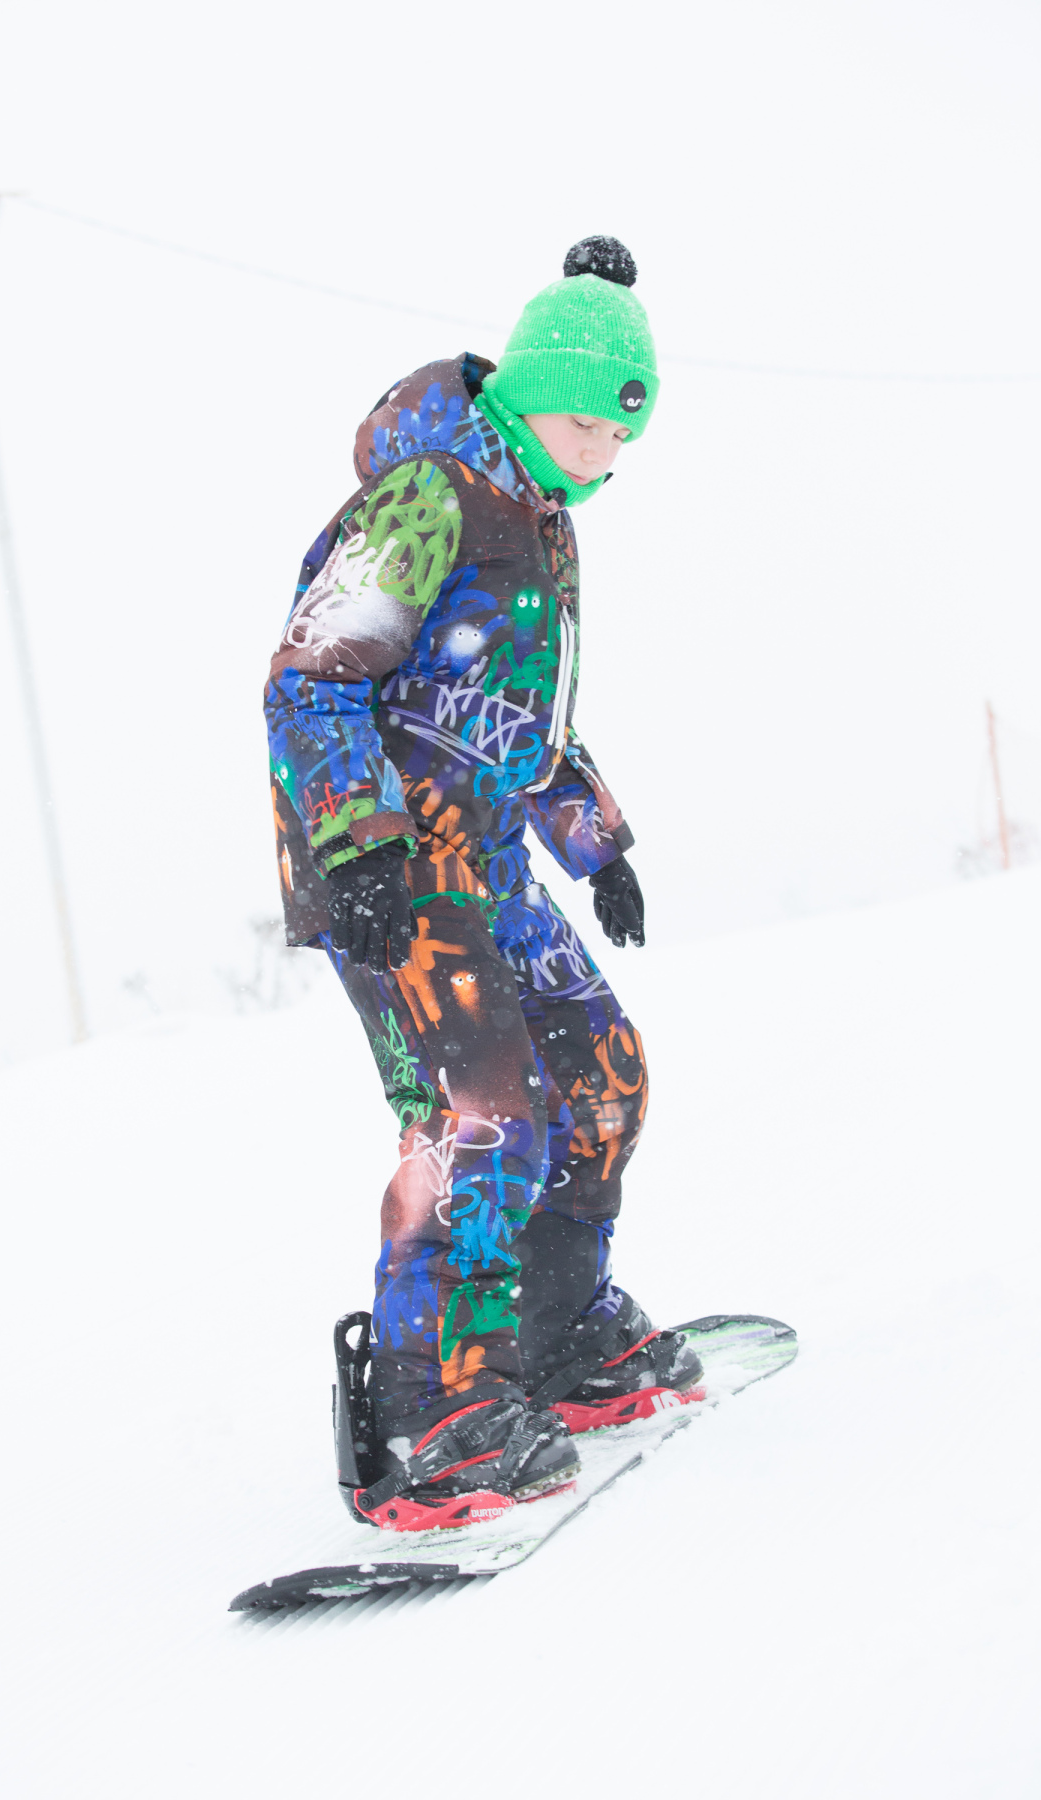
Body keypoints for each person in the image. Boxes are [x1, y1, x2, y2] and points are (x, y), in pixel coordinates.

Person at [264, 236, 703, 1529]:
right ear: (530, 392)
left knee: (604, 1076)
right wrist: (355, 847)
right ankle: (437, 1406)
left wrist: (599, 843)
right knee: (484, 1116)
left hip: (489, 858)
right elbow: (311, 678)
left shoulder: (540, 520)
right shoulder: (429, 497)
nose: (602, 453)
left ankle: (554, 1333)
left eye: (620, 435)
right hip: (397, 867)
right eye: (585, 423)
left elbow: (519, 719)